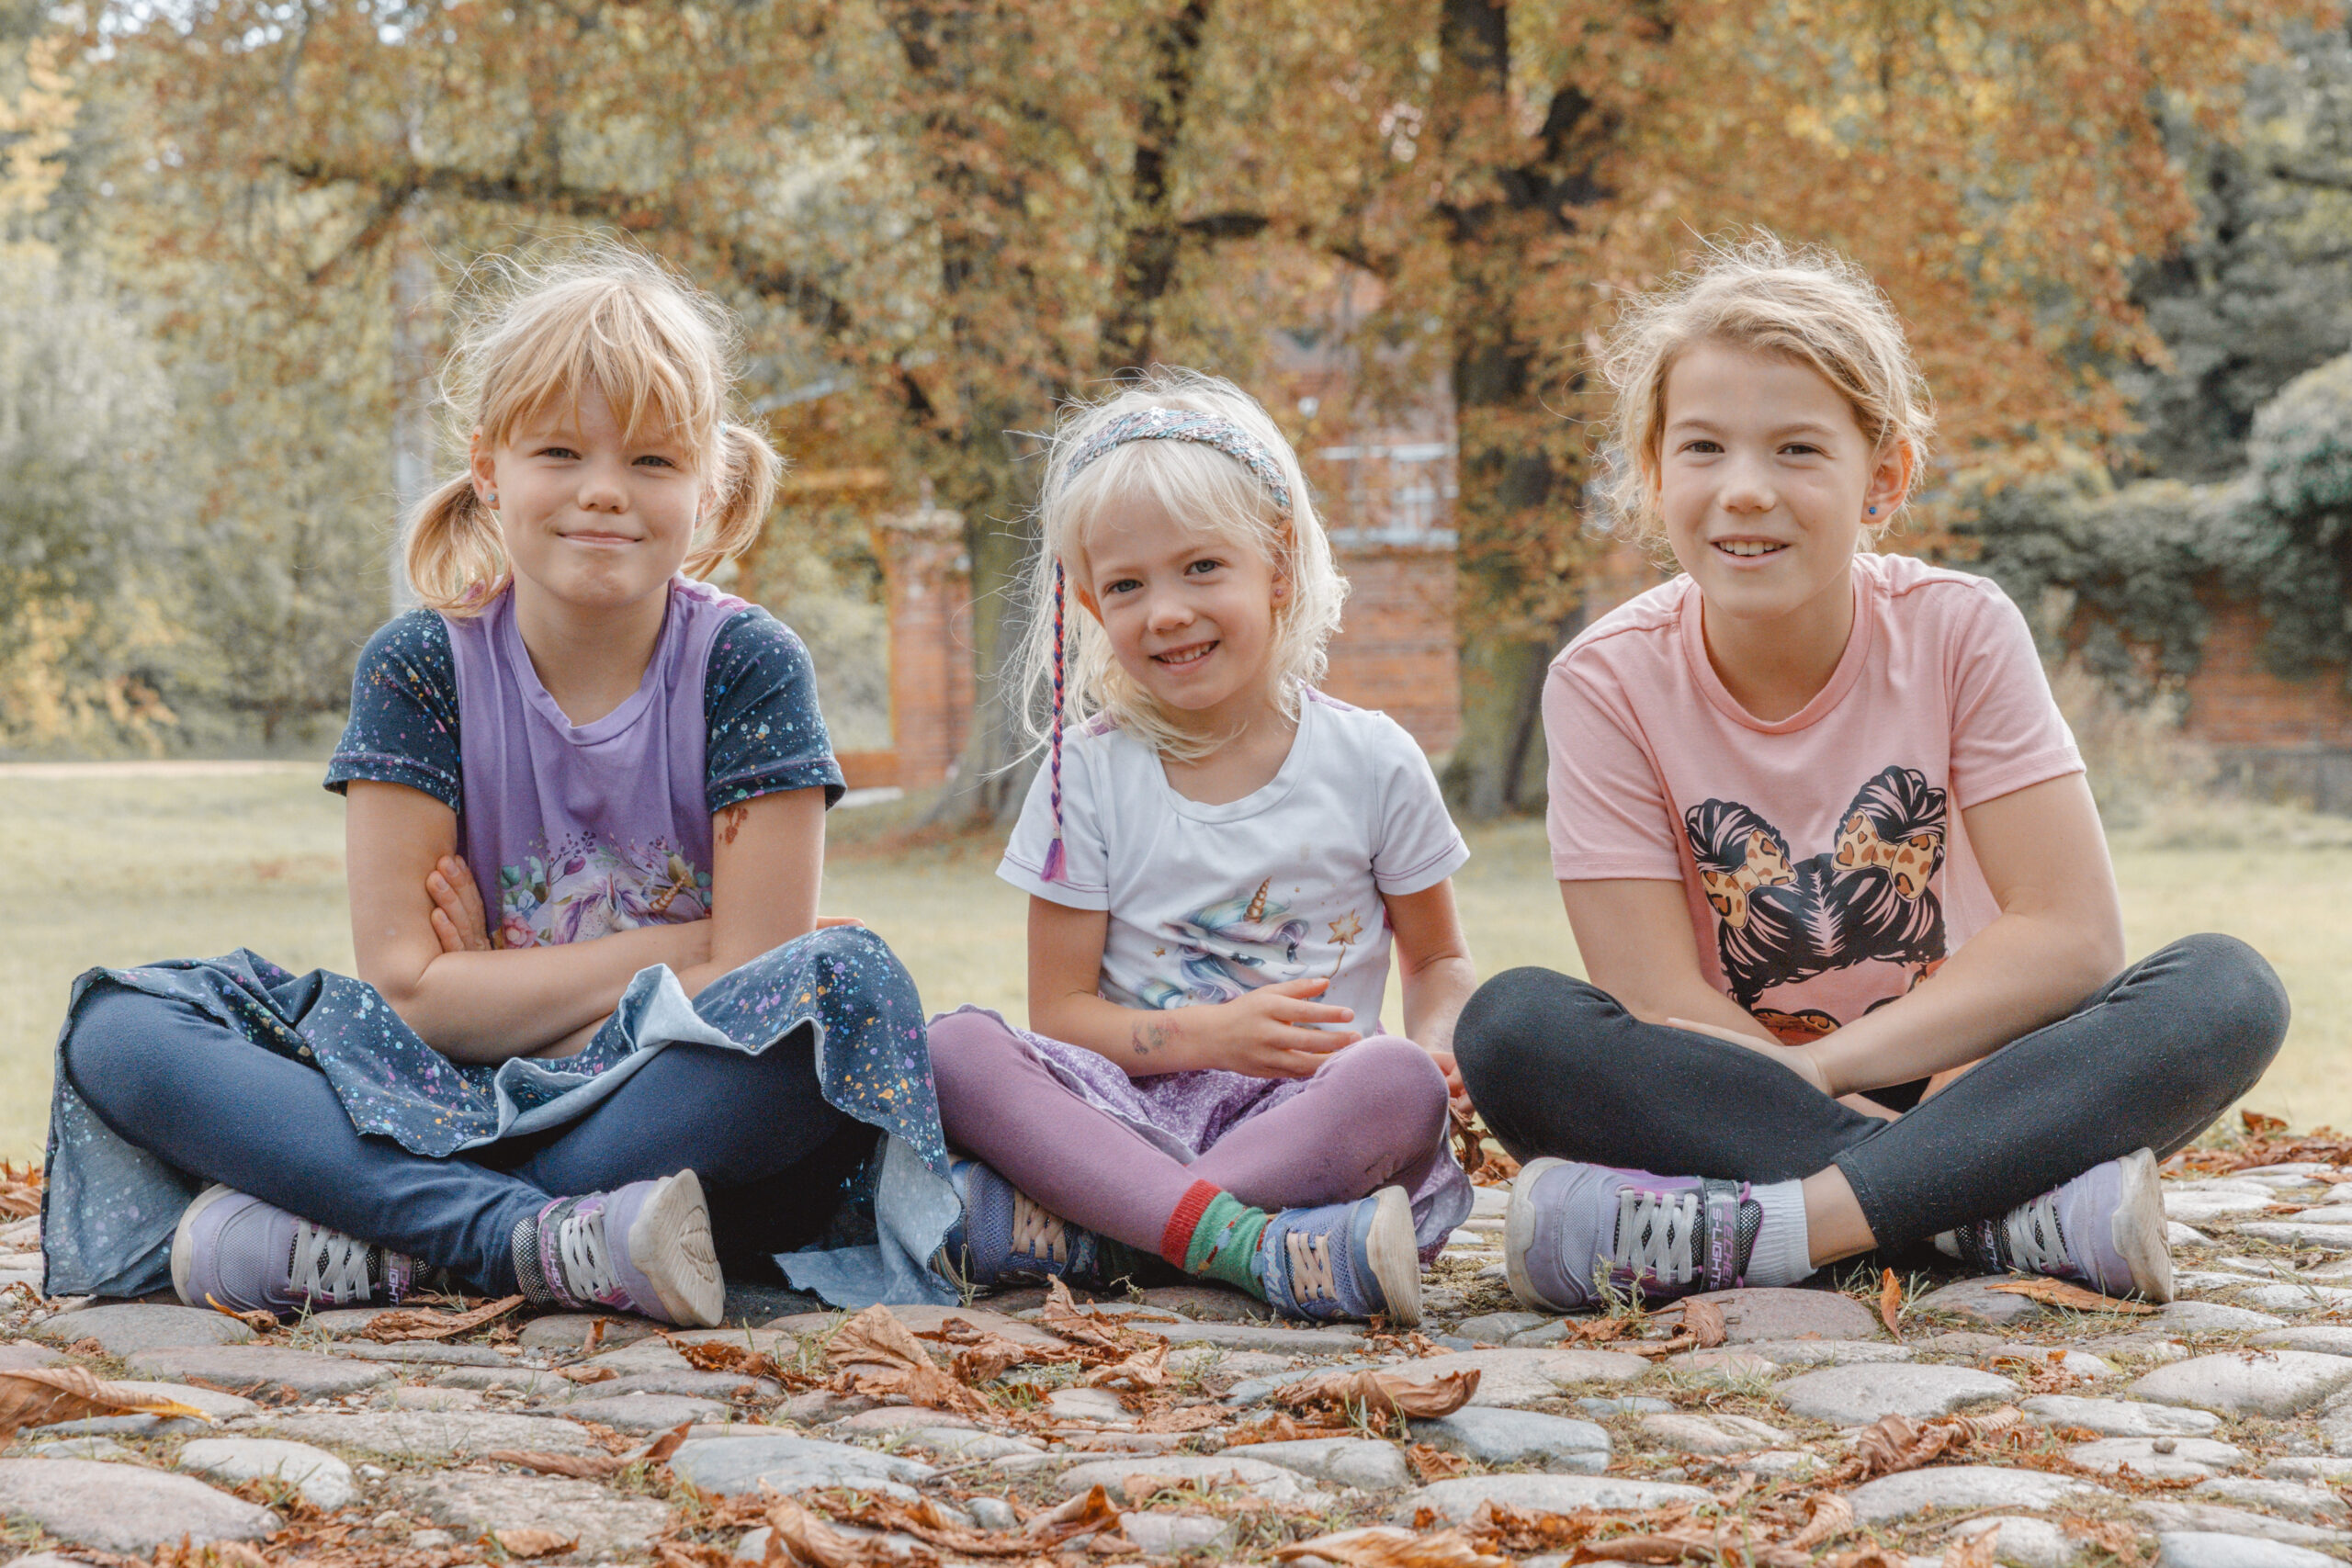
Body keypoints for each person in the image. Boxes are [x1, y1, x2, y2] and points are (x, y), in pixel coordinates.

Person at [42, 245, 945, 1325]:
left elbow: (753, 990)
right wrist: (682, 945)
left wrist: (505, 999)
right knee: (124, 1023)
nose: (604, 492)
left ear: (709, 489)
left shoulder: (748, 667)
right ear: (488, 466)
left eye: (654, 462)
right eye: (560, 450)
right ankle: (510, 1237)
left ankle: (387, 1236)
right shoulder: (424, 666)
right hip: (442, 1098)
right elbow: (413, 995)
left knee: (843, 991)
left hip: (652, 1109)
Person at [1453, 237, 2290, 1314]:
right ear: (1654, 472)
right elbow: (1655, 996)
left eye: (1797, 450)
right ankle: (1983, 1210)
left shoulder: (1958, 630)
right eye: (1703, 448)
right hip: (1726, 1084)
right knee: (1511, 1027)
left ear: (1881, 479)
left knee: (2227, 991)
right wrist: (1866, 1122)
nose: (1744, 491)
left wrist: (1834, 1077)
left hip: (1976, 1071)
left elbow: (2069, 936)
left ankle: (1783, 1232)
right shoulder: (1603, 681)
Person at [923, 371, 1476, 1325]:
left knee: (1394, 1085)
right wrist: (1206, 1039)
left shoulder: (1372, 761)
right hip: (1126, 1110)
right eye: (1128, 586)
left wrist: (1435, 1042)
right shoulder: (1083, 777)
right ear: (1092, 608)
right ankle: (1239, 1244)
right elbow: (1058, 1015)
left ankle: (1096, 1230)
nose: (1165, 611)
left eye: (1200, 569)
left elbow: (1439, 960)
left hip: (1301, 1115)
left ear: (1279, 567)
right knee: (953, 1050)